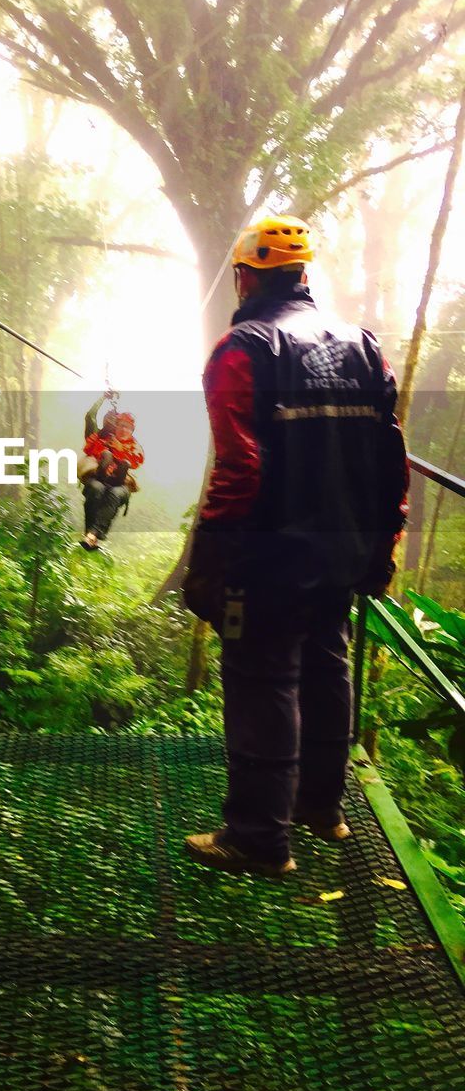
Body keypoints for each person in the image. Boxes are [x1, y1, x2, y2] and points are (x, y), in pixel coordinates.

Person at [181, 215, 409, 878]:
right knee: (326, 666)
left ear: (248, 276)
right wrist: (384, 543)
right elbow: (390, 455)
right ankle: (320, 808)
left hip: (271, 553)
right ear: (303, 275)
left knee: (264, 681)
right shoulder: (364, 346)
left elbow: (239, 469)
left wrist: (214, 551)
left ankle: (257, 837)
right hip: (344, 549)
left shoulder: (242, 349)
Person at [79, 393, 144, 551]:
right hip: (99, 479)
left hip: (119, 484)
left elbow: (137, 461)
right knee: (96, 488)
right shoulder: (101, 437)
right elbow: (90, 421)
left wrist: (120, 449)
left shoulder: (133, 445)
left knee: (115, 493)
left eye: (127, 427)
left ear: (132, 430)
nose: (123, 429)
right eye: (120, 425)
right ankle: (92, 535)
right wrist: (103, 398)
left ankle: (93, 534)